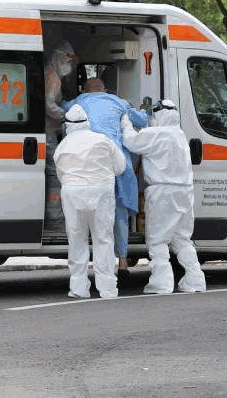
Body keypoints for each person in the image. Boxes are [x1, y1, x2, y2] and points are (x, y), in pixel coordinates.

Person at [63, 78, 148, 274]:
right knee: (119, 212)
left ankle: (84, 271)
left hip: (89, 163)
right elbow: (142, 121)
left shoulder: (79, 101)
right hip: (118, 162)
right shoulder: (118, 101)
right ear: (105, 89)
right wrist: (144, 109)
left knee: (83, 219)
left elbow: (59, 110)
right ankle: (123, 261)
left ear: (84, 90)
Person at [121, 100, 206, 294]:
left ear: (159, 116)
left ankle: (162, 283)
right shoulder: (179, 134)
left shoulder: (157, 134)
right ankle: (195, 280)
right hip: (184, 192)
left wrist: (125, 119)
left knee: (157, 241)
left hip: (162, 193)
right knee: (182, 239)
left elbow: (130, 141)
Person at [54, 104, 126, 299]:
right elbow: (120, 167)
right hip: (101, 193)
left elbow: (61, 174)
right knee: (103, 239)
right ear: (87, 123)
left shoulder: (62, 146)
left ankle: (78, 288)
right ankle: (108, 289)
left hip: (72, 194)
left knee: (77, 240)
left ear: (68, 125)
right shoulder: (103, 139)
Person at [43, 42, 78, 233]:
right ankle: (54, 220)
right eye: (66, 60)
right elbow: (49, 106)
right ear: (58, 57)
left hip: (51, 132)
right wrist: (67, 115)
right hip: (48, 132)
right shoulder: (52, 77)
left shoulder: (51, 74)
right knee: (56, 174)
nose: (69, 65)